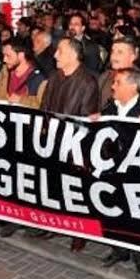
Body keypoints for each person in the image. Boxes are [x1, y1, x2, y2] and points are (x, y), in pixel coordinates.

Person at [95, 68, 140, 277]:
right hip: (113, 173)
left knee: (138, 218)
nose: (112, 86)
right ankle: (119, 251)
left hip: (137, 177)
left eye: (118, 83)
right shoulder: (109, 108)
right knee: (114, 211)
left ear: (132, 87)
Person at [41, 36, 99, 251]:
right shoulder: (54, 77)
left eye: (60, 51)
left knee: (75, 192)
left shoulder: (87, 82)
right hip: (53, 143)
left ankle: (79, 233)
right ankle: (55, 224)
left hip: (75, 148)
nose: (55, 55)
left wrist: (67, 140)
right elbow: (44, 108)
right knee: (55, 188)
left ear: (74, 55)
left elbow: (86, 121)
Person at [0, 38, 48, 238]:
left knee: (30, 179)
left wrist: (22, 101)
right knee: (12, 177)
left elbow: (43, 107)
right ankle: (14, 217)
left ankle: (33, 219)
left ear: (21, 55)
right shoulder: (5, 73)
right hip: (8, 133)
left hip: (30, 137)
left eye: (8, 55)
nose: (4, 59)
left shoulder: (39, 78)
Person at [98, 37, 140, 109]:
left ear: (133, 57)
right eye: (112, 52)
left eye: (120, 52)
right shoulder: (105, 77)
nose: (113, 57)